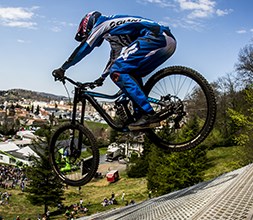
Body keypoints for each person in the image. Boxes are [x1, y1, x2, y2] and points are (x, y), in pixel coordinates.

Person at [53, 11, 176, 130]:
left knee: (118, 71)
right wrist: (102, 78)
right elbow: (113, 59)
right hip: (167, 41)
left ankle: (148, 113)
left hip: (156, 37)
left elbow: (84, 48)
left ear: (87, 25)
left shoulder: (102, 23)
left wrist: (63, 68)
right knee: (129, 72)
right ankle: (141, 118)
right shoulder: (114, 35)